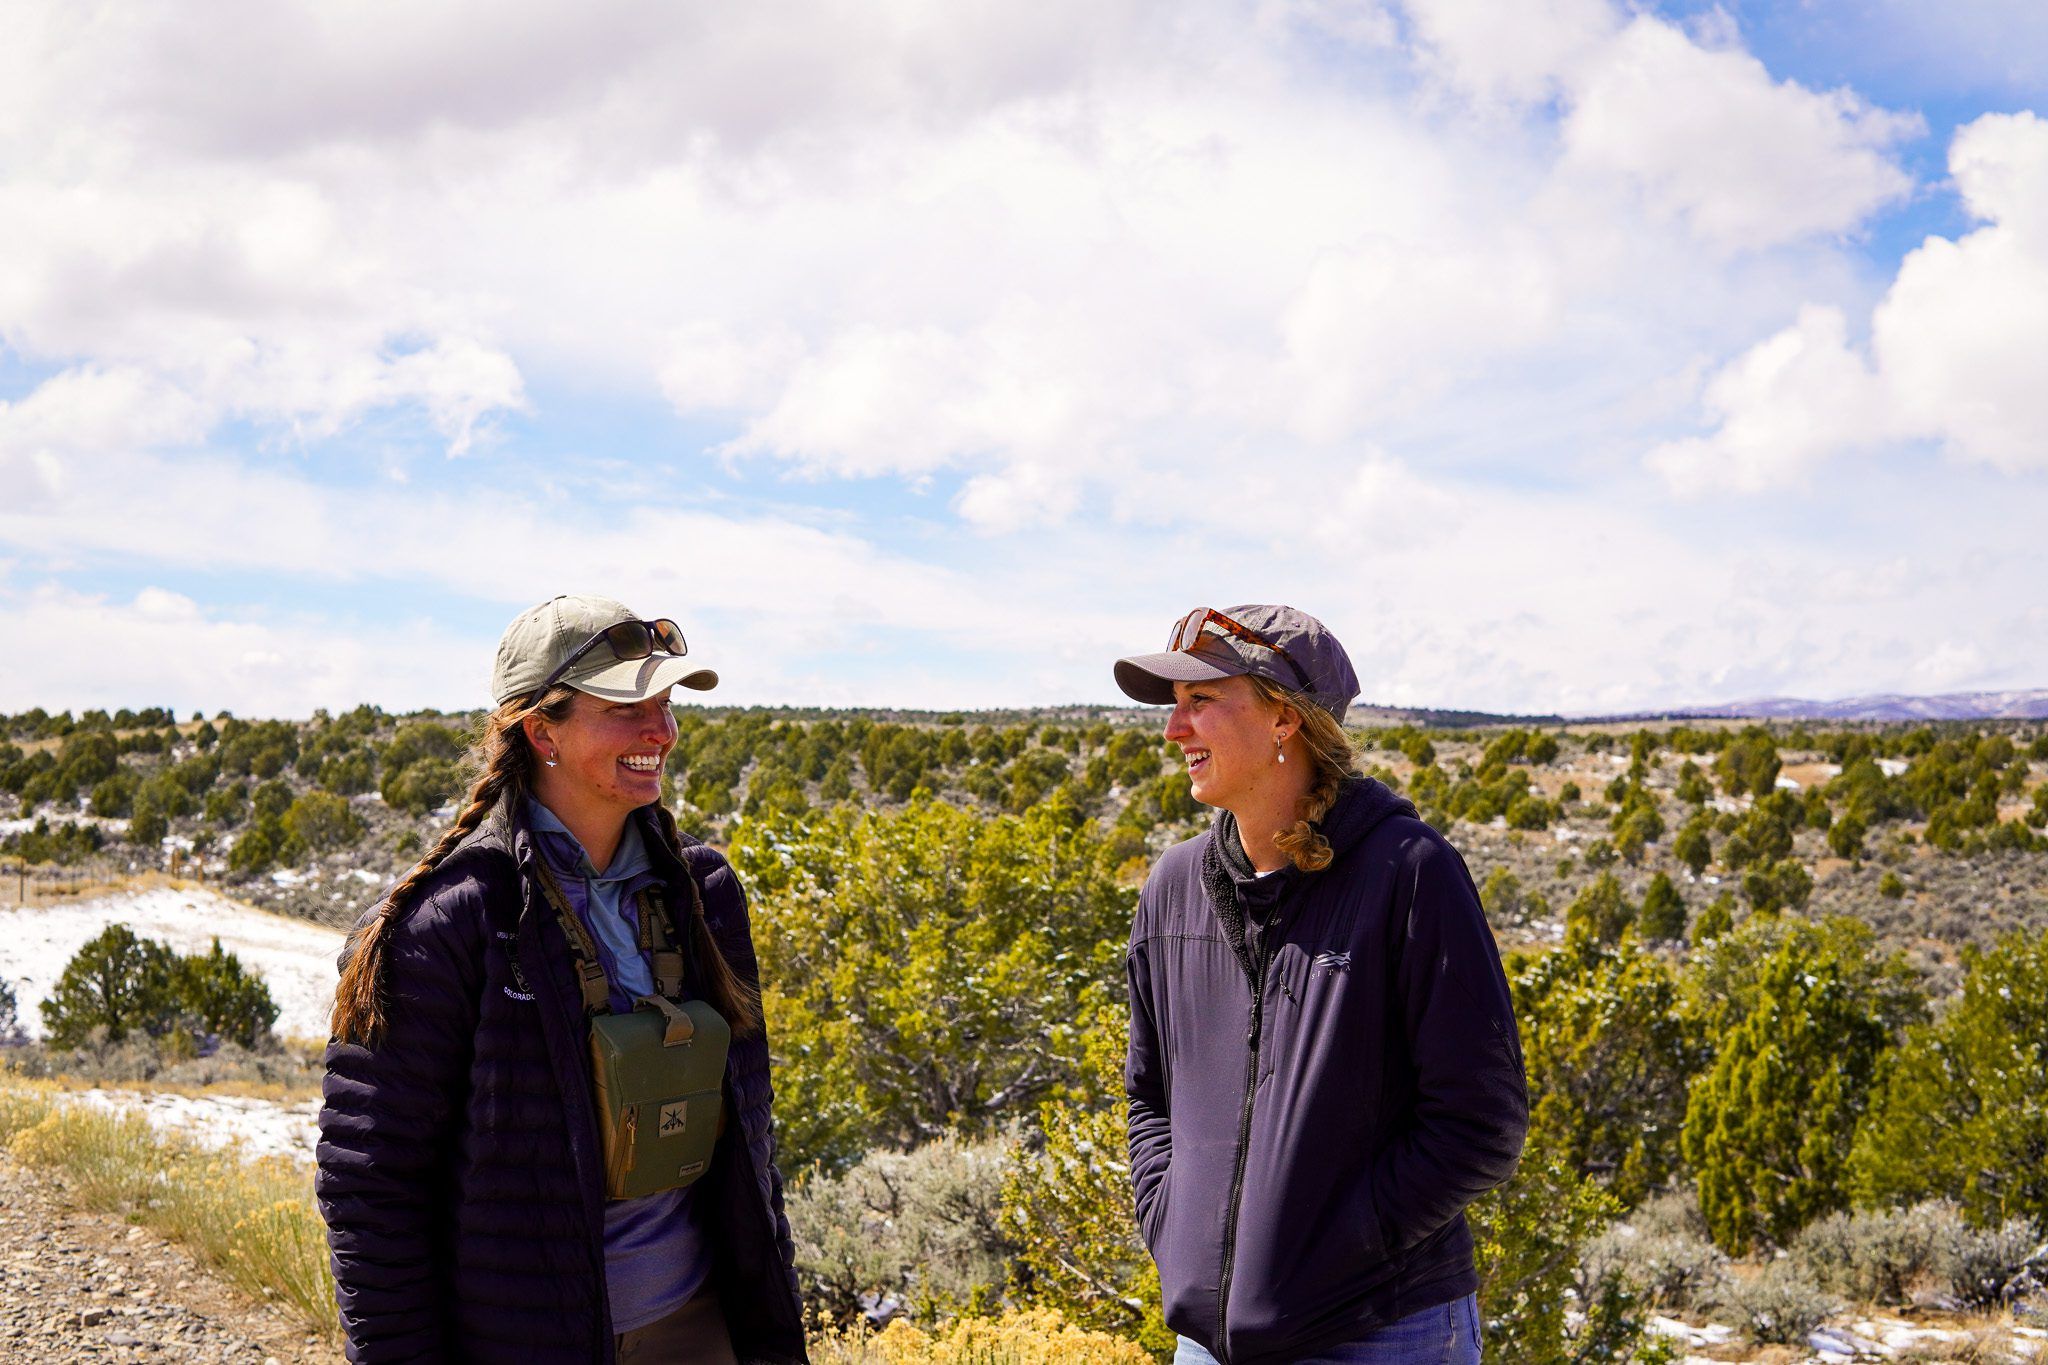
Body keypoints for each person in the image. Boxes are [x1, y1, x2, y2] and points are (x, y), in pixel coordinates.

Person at [318, 595, 806, 1364]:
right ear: (542, 730)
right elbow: (373, 1192)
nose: (661, 730)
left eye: (667, 702)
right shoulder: (447, 925)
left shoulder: (704, 893)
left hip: (703, 1325)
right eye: (626, 706)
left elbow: (750, 1135)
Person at [1113, 605, 1527, 1365]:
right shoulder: (1173, 890)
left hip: (1378, 1331)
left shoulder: (1408, 873)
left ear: (1284, 720)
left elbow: (1480, 1122)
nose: (1174, 731)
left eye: (1200, 701)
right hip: (1209, 1343)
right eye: (1174, 707)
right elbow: (1150, 1094)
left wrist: (1343, 1244)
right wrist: (1173, 1222)